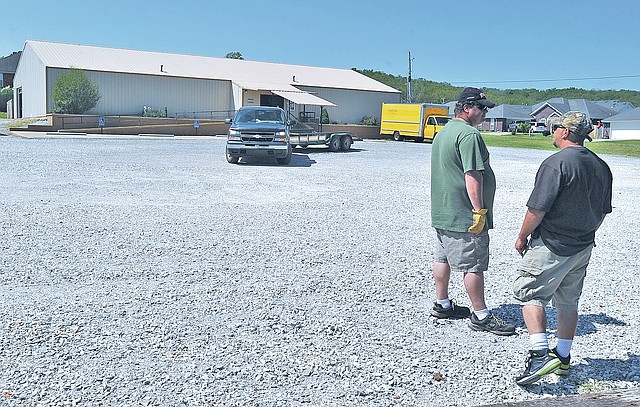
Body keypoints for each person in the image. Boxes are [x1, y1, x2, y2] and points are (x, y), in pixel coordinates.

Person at [513, 111, 613, 386]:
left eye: (556, 127)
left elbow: (537, 209)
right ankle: (563, 357)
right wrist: (584, 232)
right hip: (582, 245)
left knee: (531, 293)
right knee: (568, 301)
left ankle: (539, 354)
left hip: (552, 243)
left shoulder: (556, 164)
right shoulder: (600, 165)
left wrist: (522, 236)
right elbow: (603, 211)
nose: (553, 131)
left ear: (566, 132)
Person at [430, 87, 516, 336]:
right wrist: (479, 211)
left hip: (443, 210)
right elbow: (472, 174)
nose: (484, 113)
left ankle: (442, 303)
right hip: (464, 214)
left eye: (486, 109)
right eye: (481, 108)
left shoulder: (444, 132)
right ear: (467, 107)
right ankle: (481, 315)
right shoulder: (469, 135)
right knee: (473, 265)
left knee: (443, 257)